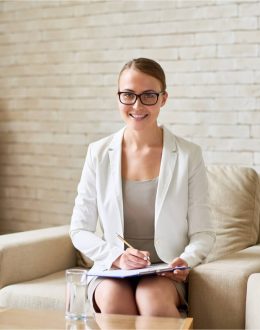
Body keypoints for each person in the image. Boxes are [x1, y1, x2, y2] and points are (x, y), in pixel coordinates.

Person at [70, 58, 215, 317]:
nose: (137, 105)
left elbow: (203, 233)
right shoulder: (98, 153)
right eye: (128, 95)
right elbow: (79, 229)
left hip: (164, 271)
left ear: (163, 98)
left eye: (148, 95)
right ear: (118, 98)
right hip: (113, 269)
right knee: (114, 301)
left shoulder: (188, 154)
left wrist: (187, 260)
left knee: (152, 301)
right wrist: (116, 256)